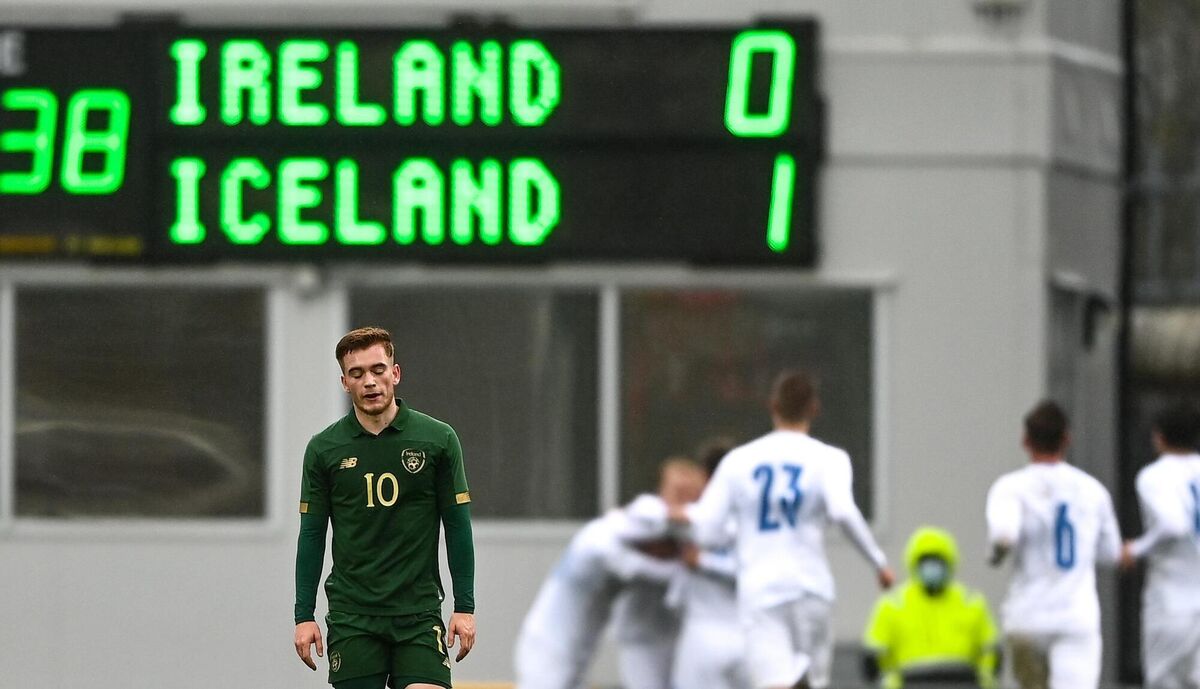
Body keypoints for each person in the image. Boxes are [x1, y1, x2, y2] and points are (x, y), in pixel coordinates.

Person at [676, 369, 894, 689]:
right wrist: (879, 563)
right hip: (811, 587)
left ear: (772, 406)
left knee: (773, 683)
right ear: (814, 409)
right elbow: (843, 512)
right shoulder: (830, 458)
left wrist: (674, 519)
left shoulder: (739, 461)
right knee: (811, 683)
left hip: (762, 591)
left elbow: (706, 530)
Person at [294, 327, 475, 689]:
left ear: (395, 373)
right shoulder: (324, 449)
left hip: (419, 614)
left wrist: (465, 607)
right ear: (345, 382)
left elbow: (457, 526)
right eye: (357, 373)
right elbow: (312, 534)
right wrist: (304, 615)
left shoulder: (437, 439)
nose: (370, 382)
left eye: (378, 369)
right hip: (353, 617)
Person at [985, 400, 1120, 689]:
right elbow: (1111, 553)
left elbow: (1003, 535)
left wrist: (996, 555)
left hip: (1028, 617)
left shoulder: (1010, 487)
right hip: (1074, 616)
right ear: (1067, 439)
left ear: (1025, 440)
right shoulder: (1092, 490)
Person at [512, 496, 684, 689]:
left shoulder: (607, 532)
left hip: (572, 650)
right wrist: (700, 561)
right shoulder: (599, 545)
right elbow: (656, 572)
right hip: (549, 649)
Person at [1121, 401, 1200, 689]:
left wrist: (1136, 549)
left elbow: (1172, 524)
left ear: (1158, 436)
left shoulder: (1154, 476)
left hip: (1171, 604)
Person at [611, 457, 708, 689]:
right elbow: (632, 518)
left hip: (678, 635)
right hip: (640, 636)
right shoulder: (645, 512)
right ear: (662, 490)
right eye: (677, 491)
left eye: (690, 492)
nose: (683, 498)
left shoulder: (702, 523)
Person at [862, 526, 999, 689]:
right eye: (926, 561)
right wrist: (889, 679)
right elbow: (874, 654)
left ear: (949, 563)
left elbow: (991, 650)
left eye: (938, 561)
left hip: (962, 682)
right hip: (909, 683)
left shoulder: (971, 602)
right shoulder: (893, 604)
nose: (932, 568)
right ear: (914, 564)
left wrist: (984, 678)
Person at [668, 440, 752, 689]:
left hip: (702, 635)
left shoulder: (692, 519)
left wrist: (703, 561)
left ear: (704, 476)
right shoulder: (753, 524)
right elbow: (753, 569)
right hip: (747, 636)